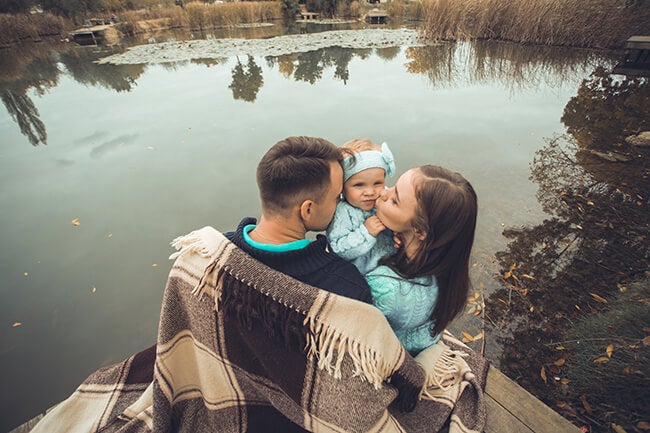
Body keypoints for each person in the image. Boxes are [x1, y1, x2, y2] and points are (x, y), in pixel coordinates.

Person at [225, 135, 372, 303]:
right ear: (307, 210)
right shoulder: (346, 288)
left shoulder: (212, 251)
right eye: (337, 197)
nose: (341, 204)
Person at [367, 165, 478, 356]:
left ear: (420, 231)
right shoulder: (445, 269)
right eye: (393, 186)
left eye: (394, 200)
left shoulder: (386, 288)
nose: (383, 192)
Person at [326, 139, 397, 274]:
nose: (370, 192)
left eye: (377, 183)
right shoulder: (343, 212)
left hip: (394, 263)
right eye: (359, 185)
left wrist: (400, 234)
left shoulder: (386, 198)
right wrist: (366, 232)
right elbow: (338, 249)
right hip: (364, 275)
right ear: (342, 187)